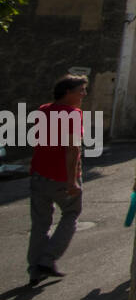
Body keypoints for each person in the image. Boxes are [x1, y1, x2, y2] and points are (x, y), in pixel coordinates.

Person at [27, 74, 88, 286]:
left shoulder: (42, 110)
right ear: (67, 92)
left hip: (39, 174)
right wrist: (72, 181)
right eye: (80, 90)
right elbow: (72, 149)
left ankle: (35, 270)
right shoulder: (73, 114)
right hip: (61, 176)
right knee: (71, 214)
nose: (84, 94)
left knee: (40, 224)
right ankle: (47, 259)